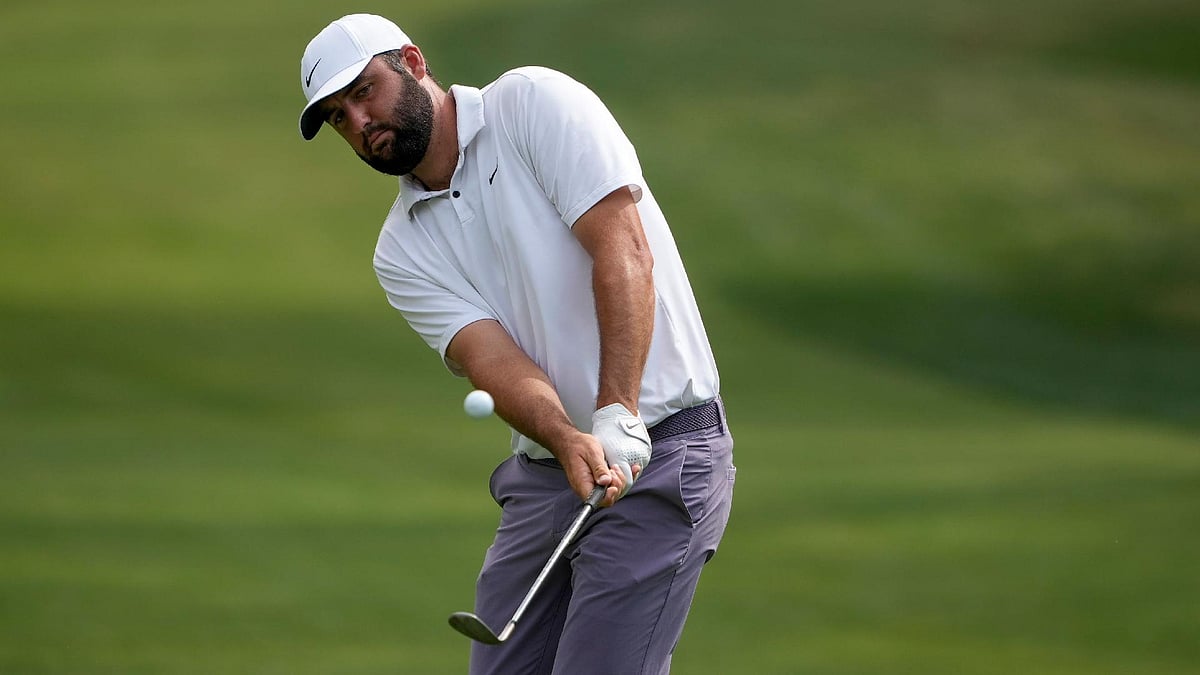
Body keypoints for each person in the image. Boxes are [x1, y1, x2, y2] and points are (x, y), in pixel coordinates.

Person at [297, 14, 735, 674]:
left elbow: (623, 251)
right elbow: (493, 361)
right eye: (338, 117)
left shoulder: (532, 104)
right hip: (547, 473)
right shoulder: (401, 251)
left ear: (413, 62)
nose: (359, 122)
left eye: (364, 92)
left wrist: (618, 410)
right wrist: (566, 436)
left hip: (661, 452)